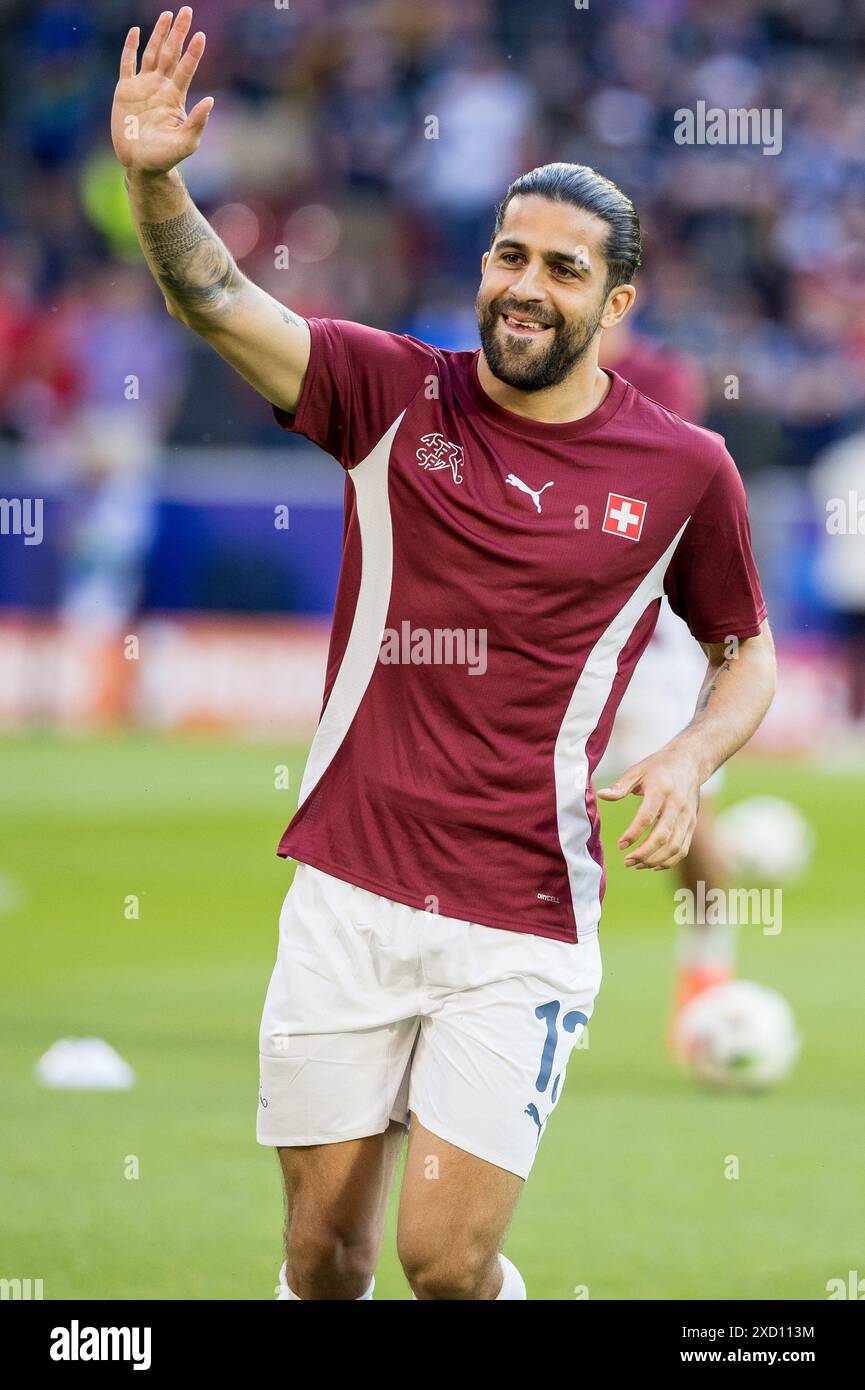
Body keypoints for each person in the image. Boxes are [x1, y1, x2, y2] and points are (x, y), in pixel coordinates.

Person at [112, 9, 777, 1301]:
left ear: (617, 299)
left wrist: (694, 752)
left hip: (521, 912)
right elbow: (217, 299)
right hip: (347, 891)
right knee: (321, 1258)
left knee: (446, 1261)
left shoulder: (686, 469)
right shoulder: (388, 392)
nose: (526, 285)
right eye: (509, 255)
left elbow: (742, 650)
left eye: (565, 269)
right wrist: (156, 181)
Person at [598, 325, 739, 1031]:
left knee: (689, 814)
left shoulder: (662, 375)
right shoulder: (518, 371)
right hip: (557, 641)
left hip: (653, 643)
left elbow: (662, 478)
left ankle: (709, 963)